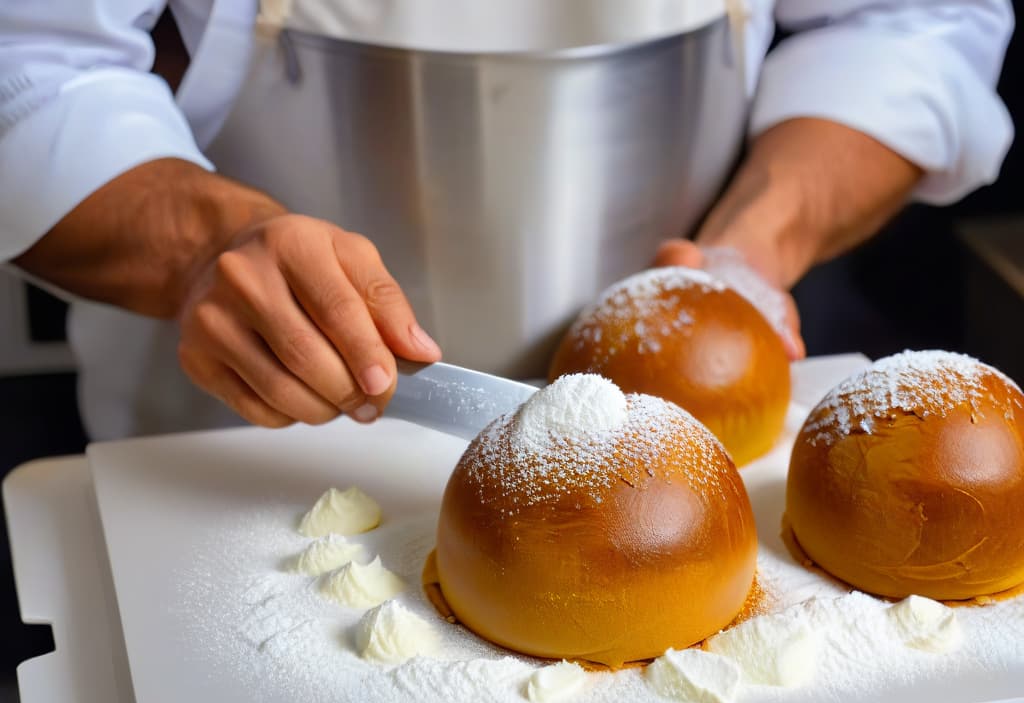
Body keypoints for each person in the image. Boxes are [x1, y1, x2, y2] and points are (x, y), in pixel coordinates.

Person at [0, 1, 1014, 440]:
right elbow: (31, 61)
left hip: (705, 416)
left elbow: (906, 21)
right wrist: (202, 249)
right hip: (238, 428)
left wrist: (758, 245)